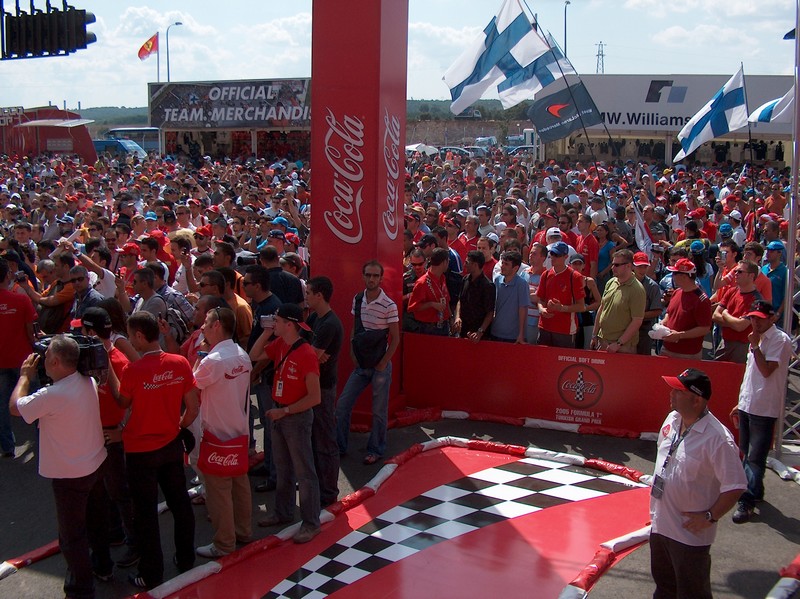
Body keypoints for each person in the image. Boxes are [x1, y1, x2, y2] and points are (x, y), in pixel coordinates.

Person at [10, 335, 109, 598]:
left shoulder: (51, 395)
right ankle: (103, 566)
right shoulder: (88, 381)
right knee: (97, 522)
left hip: (70, 476)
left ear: (54, 361)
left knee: (72, 536)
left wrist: (24, 377)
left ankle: (81, 590)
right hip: (96, 463)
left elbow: (15, 407)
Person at [111, 311, 199, 589]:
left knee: (145, 514)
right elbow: (193, 407)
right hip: (170, 446)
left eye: (130, 336)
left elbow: (122, 402)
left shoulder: (132, 371)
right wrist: (178, 426)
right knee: (180, 503)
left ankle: (151, 574)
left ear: (139, 336)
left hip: (140, 452)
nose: (129, 341)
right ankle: (186, 559)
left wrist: (109, 372)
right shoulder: (179, 363)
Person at [651, 368, 746, 599]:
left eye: (678, 391)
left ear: (697, 400)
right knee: (664, 589)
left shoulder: (718, 438)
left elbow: (735, 485)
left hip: (689, 536)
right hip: (660, 526)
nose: (671, 394)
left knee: (692, 593)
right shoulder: (672, 419)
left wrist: (710, 516)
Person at [251, 303, 322, 544]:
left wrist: (286, 411)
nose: (274, 324)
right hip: (280, 413)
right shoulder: (280, 343)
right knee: (283, 468)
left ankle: (311, 523)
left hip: (294, 417)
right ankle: (283, 512)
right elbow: (253, 356)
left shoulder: (306, 354)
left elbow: (315, 397)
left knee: (304, 472)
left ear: (289, 325)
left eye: (278, 321)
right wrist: (266, 332)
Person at [193, 307, 253, 558]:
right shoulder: (242, 355)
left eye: (206, 322)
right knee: (239, 486)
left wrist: (200, 355)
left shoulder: (213, 361)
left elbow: (193, 382)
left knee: (219, 494)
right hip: (239, 431)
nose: (202, 327)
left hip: (216, 435)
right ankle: (243, 531)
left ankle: (224, 544)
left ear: (217, 325)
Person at [729, 300, 792, 524]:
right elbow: (751, 374)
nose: (755, 323)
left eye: (760, 319)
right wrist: (741, 402)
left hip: (764, 407)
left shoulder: (779, 340)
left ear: (772, 318)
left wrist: (755, 346)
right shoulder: (756, 338)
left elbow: (766, 371)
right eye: (752, 318)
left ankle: (747, 500)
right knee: (747, 452)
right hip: (749, 403)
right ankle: (755, 491)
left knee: (755, 457)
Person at [336, 260, 400, 465]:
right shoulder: (357, 300)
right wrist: (352, 353)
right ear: (363, 276)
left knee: (379, 412)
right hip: (361, 365)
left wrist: (383, 363)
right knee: (342, 405)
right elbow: (355, 330)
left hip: (380, 366)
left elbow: (396, 338)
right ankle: (339, 446)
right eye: (368, 275)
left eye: (375, 276)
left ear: (381, 278)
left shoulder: (389, 305)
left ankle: (376, 450)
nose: (372, 279)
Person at [305, 276, 344, 507]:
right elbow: (304, 350)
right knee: (314, 439)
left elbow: (308, 356)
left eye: (309, 293)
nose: (306, 297)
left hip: (324, 388)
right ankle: (319, 486)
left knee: (325, 441)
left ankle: (329, 493)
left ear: (319, 296)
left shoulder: (330, 324)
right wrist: (310, 354)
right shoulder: (313, 318)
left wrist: (311, 354)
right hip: (313, 386)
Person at [0, 257, 37, 457]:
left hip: (4, 361)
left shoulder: (21, 300)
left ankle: (7, 447)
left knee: (2, 405)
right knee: (36, 401)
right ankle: (43, 441)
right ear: (7, 276)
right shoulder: (21, 300)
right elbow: (30, 332)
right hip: (24, 360)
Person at [591, 249, 645, 354]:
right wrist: (594, 335)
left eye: (616, 265)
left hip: (622, 347)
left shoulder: (637, 289)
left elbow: (637, 321)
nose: (612, 268)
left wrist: (619, 343)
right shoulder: (611, 282)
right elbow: (602, 308)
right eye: (612, 264)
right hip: (603, 341)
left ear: (628, 266)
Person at [660, 259, 713, 360]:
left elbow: (705, 328)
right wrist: (664, 322)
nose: (672, 276)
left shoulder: (701, 300)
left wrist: (679, 335)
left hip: (687, 354)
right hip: (667, 349)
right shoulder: (677, 292)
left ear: (684, 276)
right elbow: (669, 313)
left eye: (674, 273)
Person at [536, 241, 585, 348]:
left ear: (566, 257)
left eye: (557, 255)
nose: (553, 257)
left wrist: (562, 308)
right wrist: (541, 309)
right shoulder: (546, 274)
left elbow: (581, 306)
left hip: (564, 330)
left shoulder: (575, 277)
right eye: (552, 254)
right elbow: (540, 299)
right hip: (545, 327)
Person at [712, 260, 762, 363]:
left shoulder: (756, 300)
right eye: (735, 271)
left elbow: (740, 326)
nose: (736, 274)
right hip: (724, 342)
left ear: (751, 275)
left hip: (742, 347)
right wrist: (733, 322)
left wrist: (725, 314)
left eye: (740, 272)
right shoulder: (731, 291)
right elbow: (715, 316)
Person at [407, 247, 451, 336]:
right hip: (428, 328)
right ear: (444, 262)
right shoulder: (422, 282)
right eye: (448, 261)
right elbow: (412, 307)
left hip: (443, 325)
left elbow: (446, 301)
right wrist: (431, 304)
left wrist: (451, 318)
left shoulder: (442, 278)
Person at [453, 249, 495, 342]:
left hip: (479, 336)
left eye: (467, 262)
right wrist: (457, 317)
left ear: (475, 265)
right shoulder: (465, 280)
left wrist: (480, 331)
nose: (464, 265)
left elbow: (490, 313)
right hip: (463, 331)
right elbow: (460, 300)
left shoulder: (487, 286)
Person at [491, 250, 529, 343]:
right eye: (502, 263)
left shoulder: (522, 284)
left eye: (506, 264)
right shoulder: (497, 280)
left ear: (515, 268)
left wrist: (521, 334)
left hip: (513, 336)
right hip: (495, 332)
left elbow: (523, 309)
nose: (502, 266)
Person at [632, 252, 663, 355]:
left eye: (645, 266)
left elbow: (657, 311)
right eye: (639, 266)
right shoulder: (624, 282)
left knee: (642, 357)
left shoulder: (652, 286)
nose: (642, 270)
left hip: (644, 329)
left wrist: (637, 316)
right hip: (624, 326)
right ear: (632, 266)